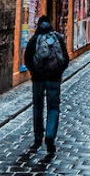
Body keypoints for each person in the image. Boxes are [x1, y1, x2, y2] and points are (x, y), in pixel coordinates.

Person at [23, 15, 70, 153]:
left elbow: (27, 59)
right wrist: (58, 72)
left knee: (38, 107)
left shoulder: (34, 39)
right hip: (54, 79)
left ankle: (38, 137)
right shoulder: (58, 38)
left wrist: (34, 72)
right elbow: (65, 59)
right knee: (53, 107)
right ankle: (50, 136)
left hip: (38, 79)